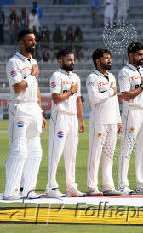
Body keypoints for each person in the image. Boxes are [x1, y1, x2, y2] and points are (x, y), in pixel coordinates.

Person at [3, 29, 46, 200]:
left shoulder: (33, 61)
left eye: (34, 40)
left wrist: (41, 112)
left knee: (35, 152)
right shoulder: (13, 62)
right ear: (21, 43)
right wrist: (31, 75)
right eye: (30, 40)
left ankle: (28, 190)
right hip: (19, 108)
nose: (34, 43)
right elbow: (17, 87)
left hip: (33, 109)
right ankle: (10, 191)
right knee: (19, 150)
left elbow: (36, 88)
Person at [118, 42, 143, 195]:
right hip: (131, 112)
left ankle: (141, 185)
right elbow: (125, 95)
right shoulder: (125, 72)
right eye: (139, 54)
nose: (142, 57)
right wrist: (142, 86)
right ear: (130, 55)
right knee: (127, 150)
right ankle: (123, 185)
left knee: (142, 149)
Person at [46, 50, 85, 198]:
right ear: (60, 61)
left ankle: (71, 186)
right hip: (60, 116)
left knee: (72, 154)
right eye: (69, 60)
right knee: (56, 152)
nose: (72, 62)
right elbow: (56, 98)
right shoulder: (56, 76)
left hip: (72, 118)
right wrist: (70, 92)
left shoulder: (75, 77)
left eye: (73, 60)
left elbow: (78, 100)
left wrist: (81, 120)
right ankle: (51, 186)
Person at [86, 48, 122, 196]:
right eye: (106, 58)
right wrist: (110, 91)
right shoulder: (92, 78)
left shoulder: (112, 77)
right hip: (99, 121)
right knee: (95, 154)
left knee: (109, 154)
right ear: (97, 60)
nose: (109, 60)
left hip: (112, 121)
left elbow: (114, 102)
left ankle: (108, 185)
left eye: (110, 58)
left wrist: (119, 120)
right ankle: (92, 186)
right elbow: (94, 98)